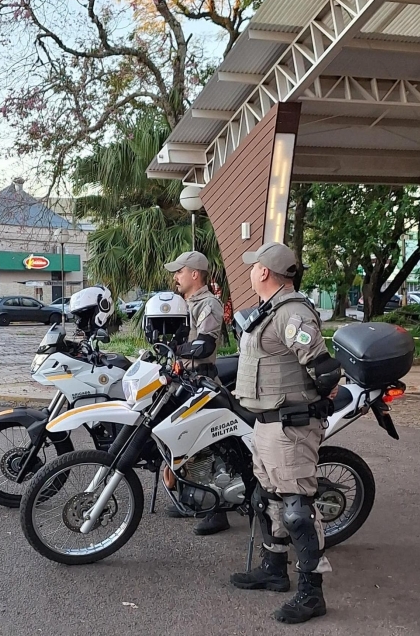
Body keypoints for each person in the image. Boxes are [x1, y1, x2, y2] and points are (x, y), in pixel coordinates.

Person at [229, 242, 341, 625]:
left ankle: (312, 593)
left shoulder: (292, 312)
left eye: (254, 266)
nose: (251, 271)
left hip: (289, 426)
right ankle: (274, 569)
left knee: (297, 510)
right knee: (267, 498)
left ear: (264, 272)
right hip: (265, 424)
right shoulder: (271, 310)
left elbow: (325, 370)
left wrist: (313, 403)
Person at [163, 249, 227, 536]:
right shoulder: (182, 303)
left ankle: (218, 510)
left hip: (202, 380)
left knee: (209, 447)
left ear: (194, 274)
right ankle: (191, 498)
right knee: (184, 441)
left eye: (179, 271)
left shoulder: (208, 304)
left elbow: (206, 346)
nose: (175, 276)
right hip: (184, 379)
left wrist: (177, 350)